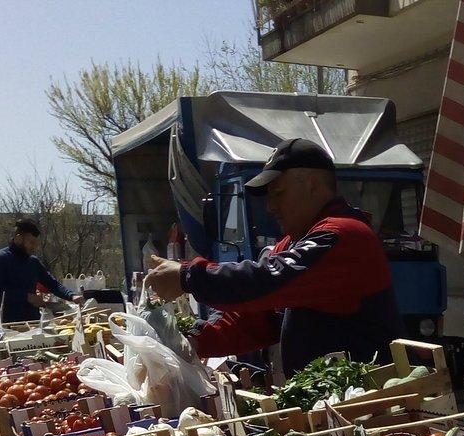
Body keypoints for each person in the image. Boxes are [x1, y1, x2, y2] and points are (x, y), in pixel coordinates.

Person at [143, 139, 403, 376]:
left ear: (312, 185)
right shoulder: (293, 242)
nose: (270, 207)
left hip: (364, 403)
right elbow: (257, 318)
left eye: (279, 194)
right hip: (326, 401)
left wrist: (188, 277)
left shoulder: (344, 235)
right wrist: (197, 340)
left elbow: (268, 280)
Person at [0, 218, 79, 325]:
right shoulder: (1, 258)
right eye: (31, 242)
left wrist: (72, 296)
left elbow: (52, 283)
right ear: (18, 239)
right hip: (10, 323)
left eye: (35, 243)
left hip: (34, 322)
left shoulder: (33, 262)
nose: (34, 247)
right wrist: (26, 296)